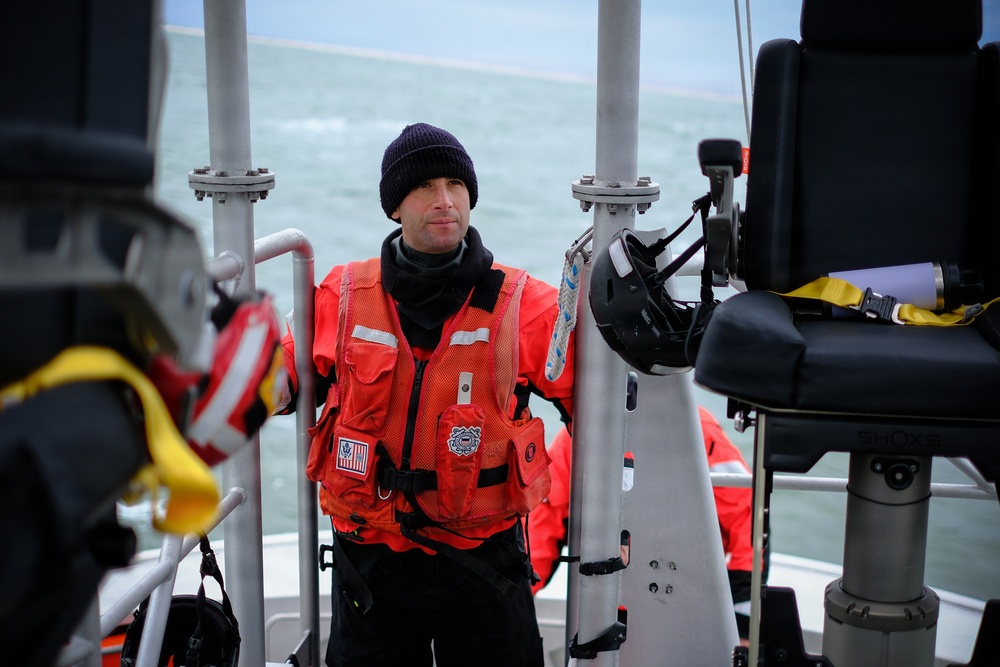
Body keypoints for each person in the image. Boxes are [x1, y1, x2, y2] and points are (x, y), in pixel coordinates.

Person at [277, 122, 575, 667]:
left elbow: (599, 413)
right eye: (424, 187)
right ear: (394, 206)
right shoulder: (341, 298)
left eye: (455, 186)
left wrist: (616, 512)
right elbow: (278, 378)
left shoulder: (525, 308)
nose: (444, 201)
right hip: (370, 565)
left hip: (485, 564)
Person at [528, 406, 761, 642]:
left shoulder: (699, 429)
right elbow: (543, 527)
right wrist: (526, 591)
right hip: (606, 605)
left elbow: (747, 517)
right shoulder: (576, 438)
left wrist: (742, 625)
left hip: (687, 600)